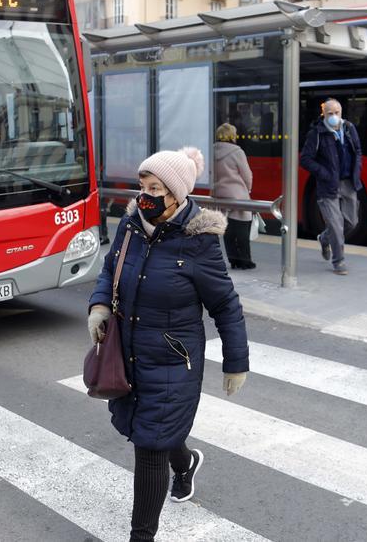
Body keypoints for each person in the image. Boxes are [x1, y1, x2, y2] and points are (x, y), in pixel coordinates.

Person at [87, 146, 249, 542]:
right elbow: (111, 268)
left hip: (174, 361)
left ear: (176, 194)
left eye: (155, 188)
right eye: (143, 185)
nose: (145, 195)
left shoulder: (199, 241)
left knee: (149, 446)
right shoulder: (131, 226)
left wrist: (236, 362)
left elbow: (225, 305)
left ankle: (141, 536)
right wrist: (99, 305)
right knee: (152, 431)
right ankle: (186, 461)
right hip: (130, 352)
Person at [299, 98, 362, 275]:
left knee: (352, 222)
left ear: (341, 112)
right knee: (336, 225)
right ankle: (338, 261)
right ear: (324, 114)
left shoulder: (349, 128)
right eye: (330, 113)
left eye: (336, 112)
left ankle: (324, 238)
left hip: (348, 182)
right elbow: (305, 159)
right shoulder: (317, 133)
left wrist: (357, 171)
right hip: (328, 185)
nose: (334, 116)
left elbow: (358, 150)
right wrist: (324, 174)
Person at [212, 123, 255, 270]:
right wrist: (248, 190)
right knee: (242, 228)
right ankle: (245, 261)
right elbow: (247, 175)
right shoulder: (237, 152)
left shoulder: (212, 150)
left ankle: (233, 260)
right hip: (237, 194)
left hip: (219, 193)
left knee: (228, 229)